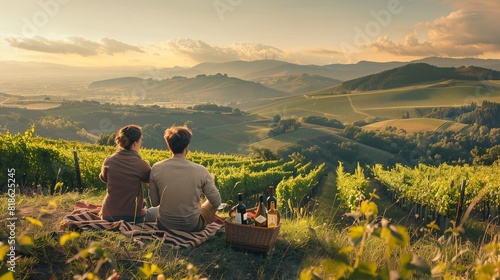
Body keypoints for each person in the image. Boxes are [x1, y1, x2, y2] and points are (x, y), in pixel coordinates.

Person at [149, 125, 221, 232]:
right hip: (191, 226)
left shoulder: (156, 168)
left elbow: (154, 203)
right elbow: (216, 202)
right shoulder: (200, 170)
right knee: (211, 202)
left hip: (164, 225)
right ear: (187, 146)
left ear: (169, 147)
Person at [99, 124, 158, 223]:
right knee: (159, 211)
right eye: (140, 141)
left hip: (107, 215)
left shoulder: (109, 160)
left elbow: (103, 178)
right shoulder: (141, 164)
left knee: (143, 203)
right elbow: (151, 184)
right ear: (135, 143)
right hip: (132, 216)